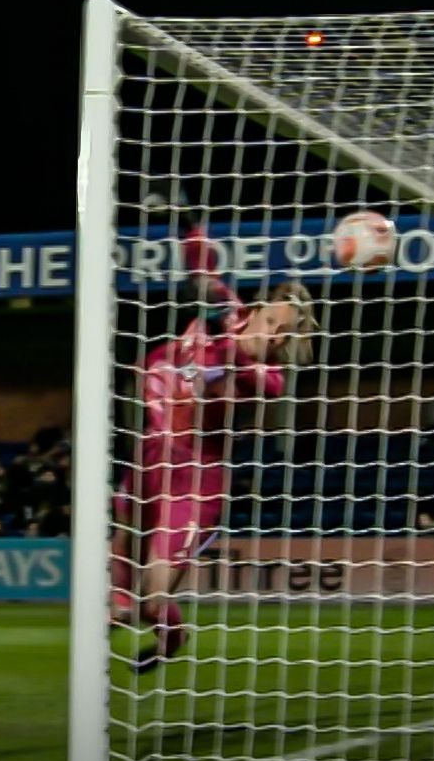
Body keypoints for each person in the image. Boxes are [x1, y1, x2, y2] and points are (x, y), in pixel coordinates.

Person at [112, 209, 319, 671]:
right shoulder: (230, 313)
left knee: (154, 596)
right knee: (120, 572)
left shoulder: (268, 379)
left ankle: (169, 633)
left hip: (196, 475)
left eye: (282, 335)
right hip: (153, 446)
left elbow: (231, 369)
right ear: (259, 313)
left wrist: (219, 333)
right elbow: (204, 275)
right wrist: (189, 229)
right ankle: (117, 611)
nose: (272, 334)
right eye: (271, 321)